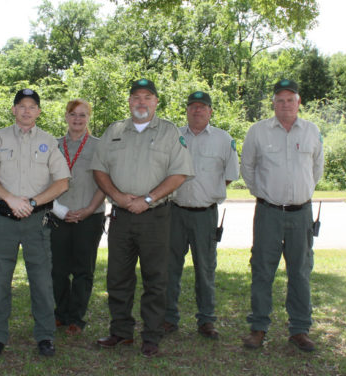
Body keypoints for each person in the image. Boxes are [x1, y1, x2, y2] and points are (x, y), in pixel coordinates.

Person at [91, 78, 194, 357]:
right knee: (118, 277)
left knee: (155, 278)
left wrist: (148, 199)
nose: (141, 102)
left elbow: (179, 173)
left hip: (156, 217)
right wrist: (119, 196)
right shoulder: (114, 131)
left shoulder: (170, 133)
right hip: (121, 217)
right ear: (129, 101)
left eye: (147, 97)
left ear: (156, 102)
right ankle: (121, 332)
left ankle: (151, 335)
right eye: (136, 97)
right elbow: (99, 169)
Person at [0, 89, 70, 359]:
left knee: (41, 280)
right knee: (0, 279)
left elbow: (62, 182)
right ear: (14, 110)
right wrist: (10, 199)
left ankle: (45, 336)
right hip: (5, 220)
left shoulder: (49, 142)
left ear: (39, 111)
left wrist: (32, 201)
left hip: (37, 220)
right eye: (21, 106)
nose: (27, 111)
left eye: (32, 107)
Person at [241, 79, 323, 352]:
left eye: (291, 99)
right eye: (280, 99)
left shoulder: (312, 131)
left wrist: (302, 193)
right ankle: (259, 327)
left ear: (299, 102)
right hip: (269, 213)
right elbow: (248, 169)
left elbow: (317, 170)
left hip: (301, 215)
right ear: (273, 103)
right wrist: (264, 195)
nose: (286, 104)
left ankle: (299, 329)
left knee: (300, 272)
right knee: (262, 271)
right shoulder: (258, 132)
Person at [163, 91, 239, 339]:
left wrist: (207, 193)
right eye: (193, 106)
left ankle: (206, 320)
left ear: (210, 111)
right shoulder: (173, 137)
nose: (197, 110)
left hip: (205, 215)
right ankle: (168, 319)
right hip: (174, 212)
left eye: (202, 107)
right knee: (169, 268)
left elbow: (228, 175)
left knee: (205, 269)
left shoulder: (223, 139)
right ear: (187, 110)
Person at [51, 99, 106, 336]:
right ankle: (60, 314)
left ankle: (76, 317)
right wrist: (58, 210)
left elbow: (105, 183)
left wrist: (88, 209)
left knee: (83, 269)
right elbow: (43, 182)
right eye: (73, 114)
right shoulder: (52, 146)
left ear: (88, 118)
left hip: (89, 216)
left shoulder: (99, 146)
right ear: (65, 116)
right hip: (57, 216)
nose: (77, 119)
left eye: (83, 115)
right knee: (58, 269)